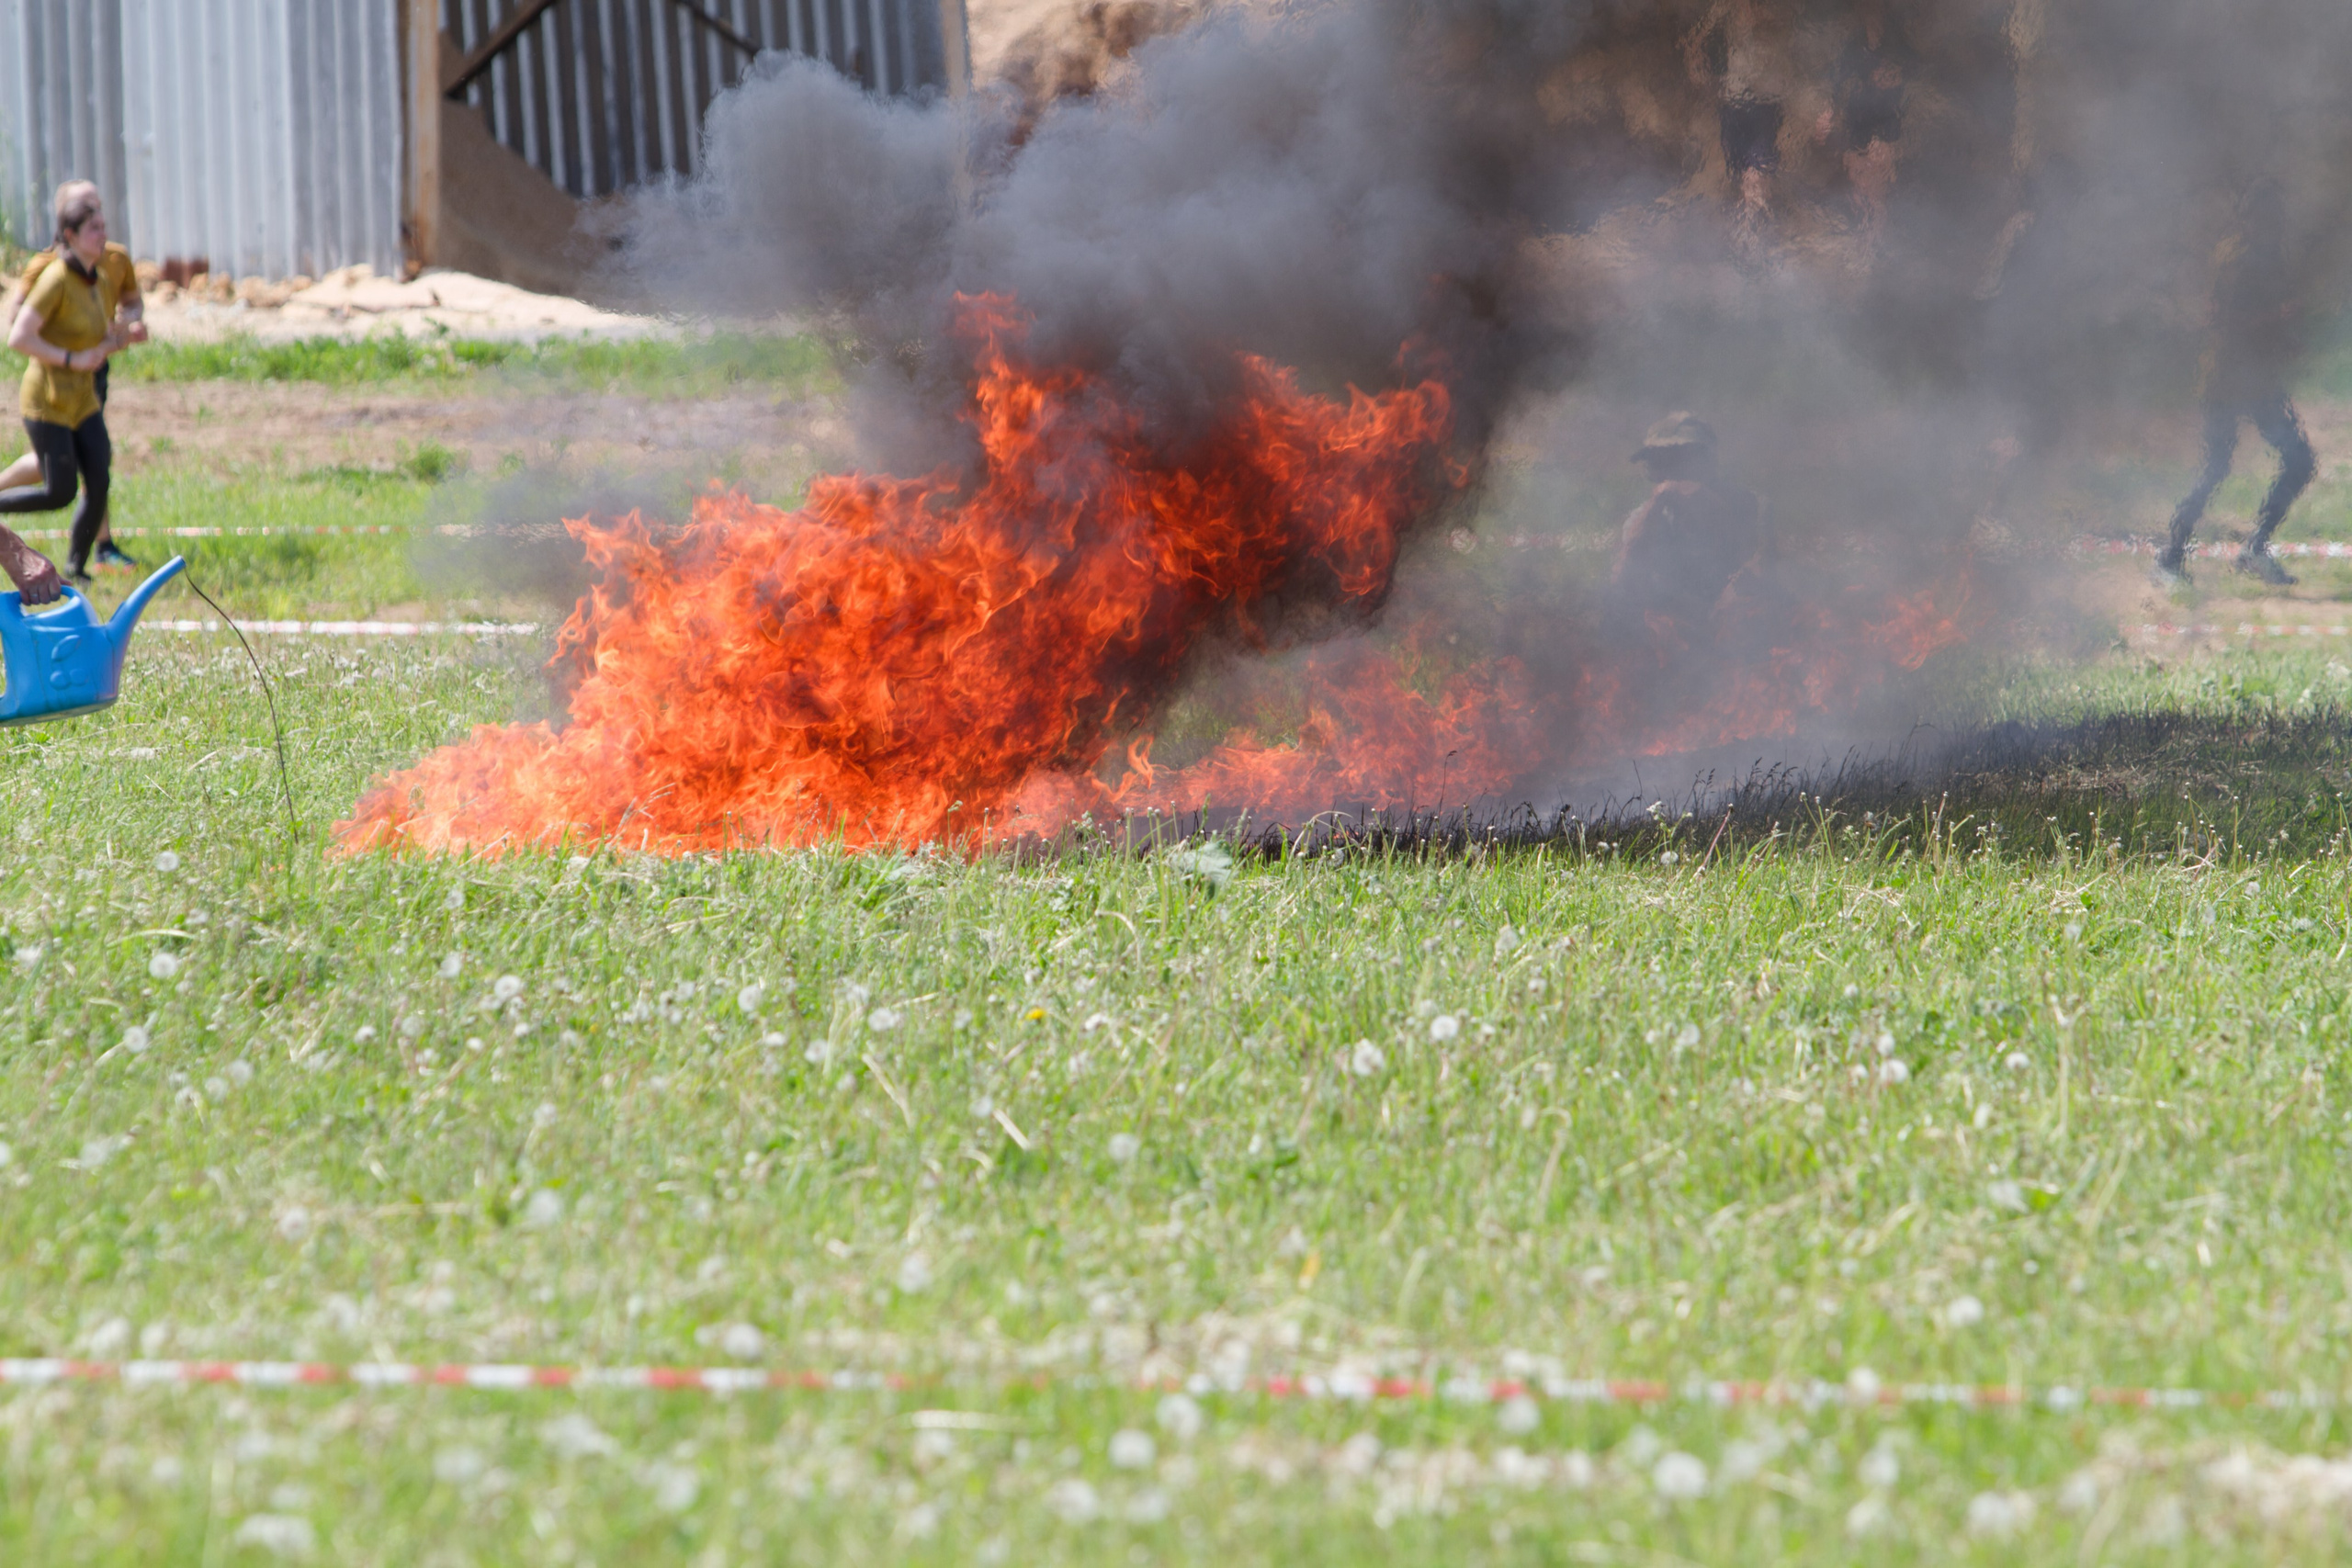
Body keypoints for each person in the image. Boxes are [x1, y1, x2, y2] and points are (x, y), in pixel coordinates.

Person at [2156, 178, 2315, 587]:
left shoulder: (2267, 258)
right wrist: (2277, 319)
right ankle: (2171, 558)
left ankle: (2254, 547)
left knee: (2297, 459)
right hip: (2229, 380)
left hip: (2257, 380)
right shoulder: (2239, 260)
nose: (2277, 225)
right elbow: (2223, 321)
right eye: (2270, 218)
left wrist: (2284, 335)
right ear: (2254, 219)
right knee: (2217, 467)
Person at [1, 182, 144, 582]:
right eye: (94, 229)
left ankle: (77, 569)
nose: (103, 236)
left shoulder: (99, 279)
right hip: (48, 402)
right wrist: (70, 359)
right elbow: (18, 337)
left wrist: (124, 338)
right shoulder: (55, 278)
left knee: (99, 478)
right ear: (71, 235)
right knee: (59, 492)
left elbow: (96, 342)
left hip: (84, 399)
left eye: (103, 226)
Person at [1611, 412, 1767, 630]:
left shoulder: (1744, 504)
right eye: (1657, 463)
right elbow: (1623, 576)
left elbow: (1761, 565)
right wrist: (1656, 505)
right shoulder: (1649, 515)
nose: (1669, 474)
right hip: (1672, 624)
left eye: (1678, 460)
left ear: (1706, 463)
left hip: (1736, 621)